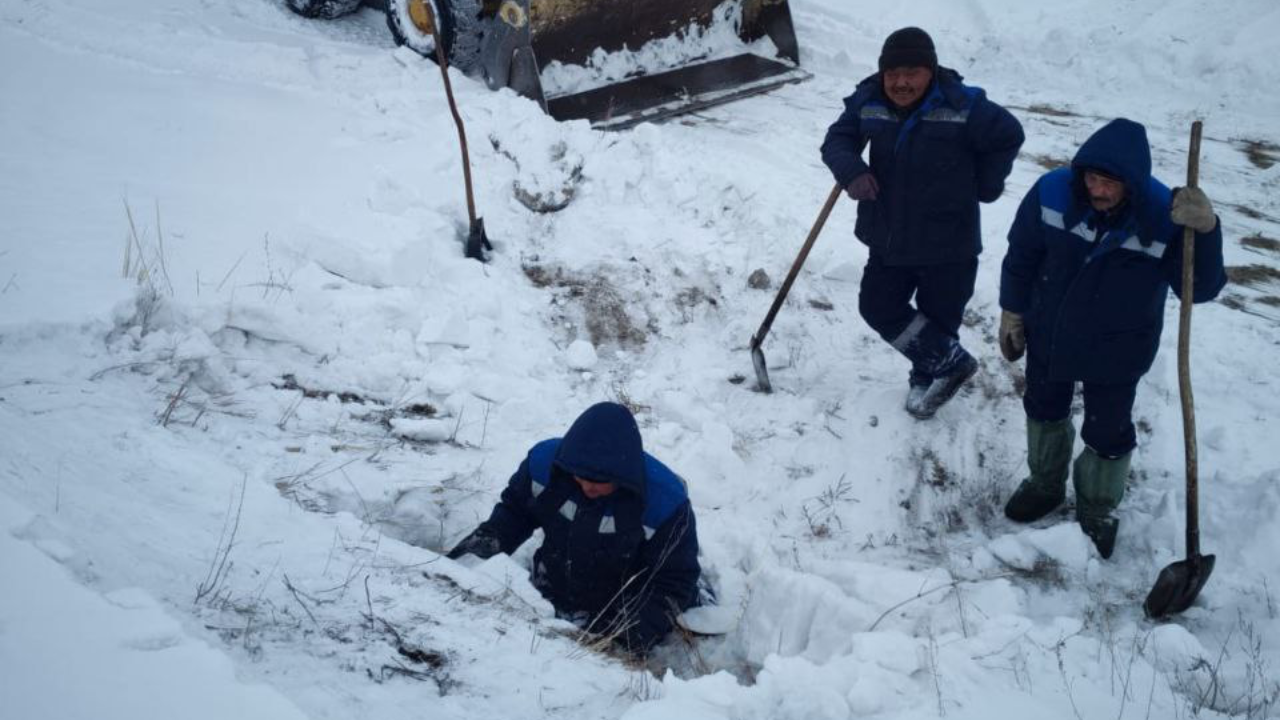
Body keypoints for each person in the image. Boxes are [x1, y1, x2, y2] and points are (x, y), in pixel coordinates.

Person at [998, 118, 1227, 558]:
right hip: (1052, 331)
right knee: (1043, 408)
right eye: (1092, 178)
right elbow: (1022, 254)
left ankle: (1098, 509)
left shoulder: (1165, 215)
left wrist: (1207, 232)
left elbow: (1199, 288)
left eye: (1110, 183)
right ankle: (1044, 485)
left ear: (1134, 184)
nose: (1098, 190)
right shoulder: (1052, 191)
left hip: (1120, 345)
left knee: (1107, 430)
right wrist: (1012, 309)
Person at [822, 27, 1025, 419]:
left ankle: (928, 375)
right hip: (888, 235)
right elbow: (837, 139)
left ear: (930, 71)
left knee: (940, 317)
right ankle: (948, 365)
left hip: (949, 242)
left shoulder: (962, 104)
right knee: (878, 306)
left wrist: (986, 183)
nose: (900, 82)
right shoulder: (869, 99)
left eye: (911, 72)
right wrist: (851, 171)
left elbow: (1008, 135)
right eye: (892, 73)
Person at [447, 402, 700, 654]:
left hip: (623, 604)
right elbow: (512, 516)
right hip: (552, 583)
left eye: (599, 482)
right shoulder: (545, 466)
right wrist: (460, 567)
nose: (587, 487)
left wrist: (624, 640)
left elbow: (673, 580)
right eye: (580, 477)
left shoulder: (665, 503)